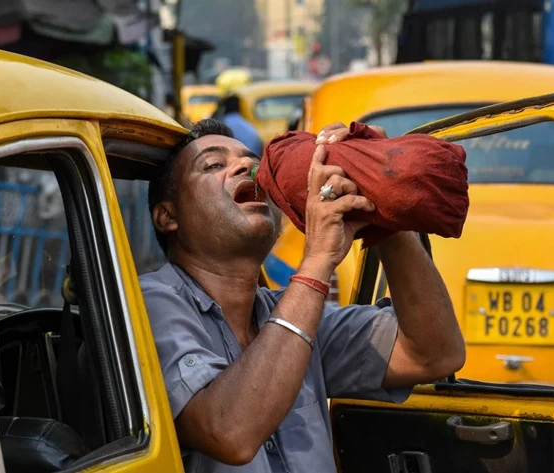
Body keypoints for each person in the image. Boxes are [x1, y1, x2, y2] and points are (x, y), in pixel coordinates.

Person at [142, 119, 466, 472]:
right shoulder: (150, 303)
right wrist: (317, 261)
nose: (245, 166)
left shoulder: (293, 312)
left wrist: (380, 200)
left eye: (253, 160)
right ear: (167, 216)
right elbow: (229, 432)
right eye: (214, 165)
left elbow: (433, 354)